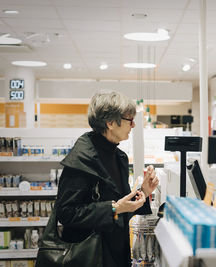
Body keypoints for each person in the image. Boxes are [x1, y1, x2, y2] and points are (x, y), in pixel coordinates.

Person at [55, 90, 159, 267]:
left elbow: (122, 206)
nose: (133, 125)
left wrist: (144, 192)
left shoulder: (119, 157)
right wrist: (113, 209)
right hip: (90, 256)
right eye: (129, 120)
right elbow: (66, 213)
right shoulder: (82, 159)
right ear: (110, 123)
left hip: (116, 252)